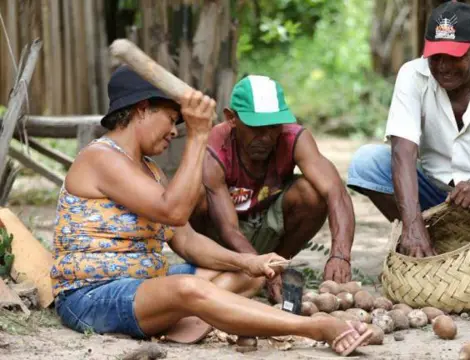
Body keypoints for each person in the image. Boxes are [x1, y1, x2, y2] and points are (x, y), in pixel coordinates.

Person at [49, 65, 371, 355]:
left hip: (145, 284)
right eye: (171, 119)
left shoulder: (152, 171)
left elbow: (186, 241)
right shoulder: (100, 158)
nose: (175, 131)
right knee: (187, 288)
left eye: (180, 123)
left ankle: (194, 316)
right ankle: (313, 329)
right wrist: (200, 133)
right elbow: (174, 211)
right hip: (92, 297)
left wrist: (249, 262)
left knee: (247, 278)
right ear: (142, 109)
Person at [346, 1, 470, 258]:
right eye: (435, 56)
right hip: (441, 195)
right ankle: (425, 238)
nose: (442, 66)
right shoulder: (413, 75)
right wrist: (411, 223)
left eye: (454, 57)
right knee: (367, 162)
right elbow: (403, 153)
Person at [189, 75, 356, 304]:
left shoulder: (293, 138)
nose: (266, 138)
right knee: (195, 195)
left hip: (268, 228)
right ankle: (233, 269)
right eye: (256, 127)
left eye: (274, 127)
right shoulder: (215, 147)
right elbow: (229, 229)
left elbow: (336, 192)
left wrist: (340, 255)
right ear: (231, 118)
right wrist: (259, 266)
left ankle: (280, 265)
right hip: (223, 237)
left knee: (312, 193)